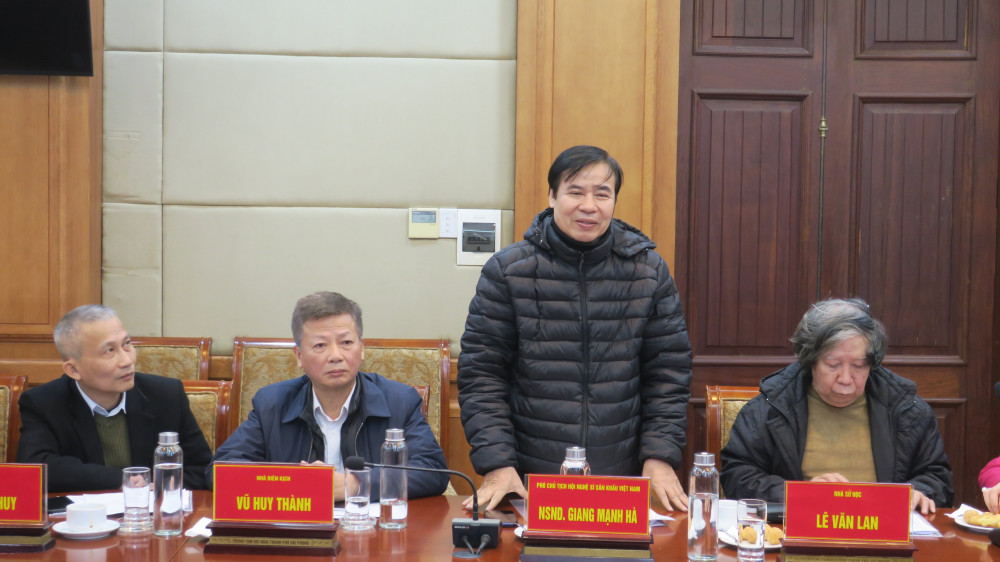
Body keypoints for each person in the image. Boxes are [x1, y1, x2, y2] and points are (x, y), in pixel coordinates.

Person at [457, 145, 693, 512]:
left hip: (622, 477)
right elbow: (481, 375)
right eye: (575, 192)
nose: (589, 206)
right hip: (527, 480)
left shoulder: (648, 271)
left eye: (602, 194)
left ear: (614, 201)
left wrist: (660, 456)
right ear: (552, 196)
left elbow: (668, 374)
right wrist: (498, 463)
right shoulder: (508, 271)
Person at [720, 298, 952, 515]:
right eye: (833, 365)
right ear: (810, 361)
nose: (846, 379)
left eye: (858, 366)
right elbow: (738, 476)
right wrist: (799, 494)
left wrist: (920, 492)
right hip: (801, 529)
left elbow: (937, 477)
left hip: (882, 531)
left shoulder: (907, 410)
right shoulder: (771, 408)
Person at [210, 291, 449, 500]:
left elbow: (433, 471)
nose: (335, 356)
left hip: (370, 530)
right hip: (299, 530)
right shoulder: (272, 404)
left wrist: (356, 484)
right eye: (320, 346)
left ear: (362, 349)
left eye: (346, 342)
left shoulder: (399, 401)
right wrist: (292, 483)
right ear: (299, 356)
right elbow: (220, 471)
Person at [17, 305, 212, 492]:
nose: (127, 361)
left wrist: (153, 485)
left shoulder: (166, 395)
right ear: (74, 369)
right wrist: (120, 479)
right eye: (109, 351)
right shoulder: (43, 402)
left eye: (126, 344)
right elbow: (36, 468)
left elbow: (201, 469)